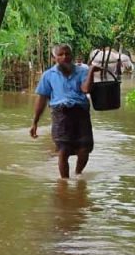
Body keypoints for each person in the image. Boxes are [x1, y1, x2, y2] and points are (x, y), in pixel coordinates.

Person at [30, 44, 100, 178]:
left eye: (67, 54)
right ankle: (64, 182)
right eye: (61, 55)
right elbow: (42, 99)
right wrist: (35, 122)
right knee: (63, 150)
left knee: (84, 148)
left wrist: (91, 71)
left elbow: (86, 89)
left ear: (71, 55)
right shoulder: (48, 75)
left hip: (81, 113)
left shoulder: (82, 71)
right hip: (60, 114)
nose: (65, 57)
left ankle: (78, 175)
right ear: (54, 58)